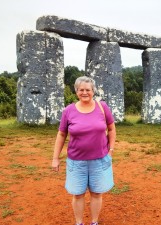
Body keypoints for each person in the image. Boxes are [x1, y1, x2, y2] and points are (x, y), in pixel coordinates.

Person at [52, 76, 116, 225]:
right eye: (81, 90)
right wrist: (55, 158)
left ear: (93, 91)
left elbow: (111, 128)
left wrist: (111, 149)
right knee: (78, 194)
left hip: (100, 160)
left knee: (96, 193)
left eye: (88, 89)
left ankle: (94, 222)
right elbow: (61, 134)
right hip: (76, 161)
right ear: (76, 91)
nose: (85, 92)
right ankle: (79, 223)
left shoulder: (102, 107)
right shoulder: (69, 110)